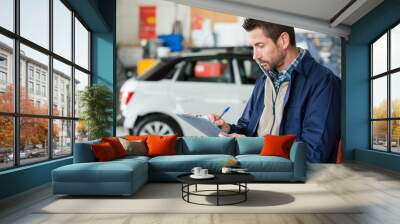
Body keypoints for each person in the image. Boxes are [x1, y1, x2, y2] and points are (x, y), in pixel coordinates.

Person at [208, 19, 341, 163]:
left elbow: (313, 153)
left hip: (291, 179)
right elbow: (248, 128)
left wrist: (254, 145)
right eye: (253, 47)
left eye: (260, 46)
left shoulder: (323, 82)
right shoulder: (264, 79)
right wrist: (227, 128)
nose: (255, 56)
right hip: (256, 167)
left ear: (283, 40)